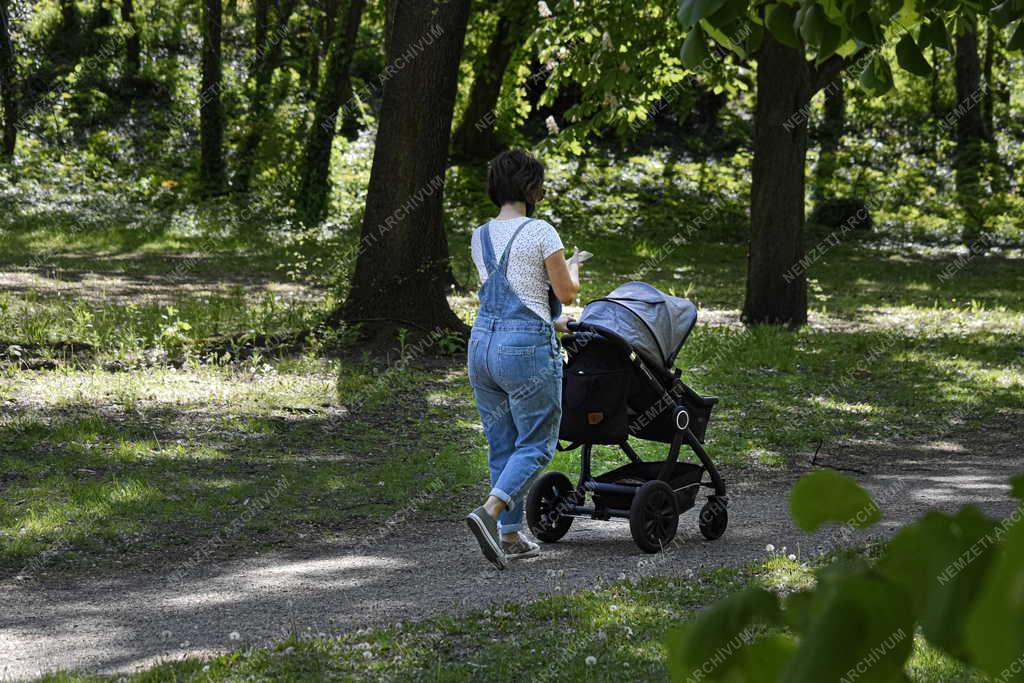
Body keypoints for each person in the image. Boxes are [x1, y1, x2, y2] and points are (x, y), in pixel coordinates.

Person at [465, 148, 581, 570]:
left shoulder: (479, 235)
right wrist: (573, 269)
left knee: (502, 444)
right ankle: (490, 513)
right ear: (533, 188)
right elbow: (565, 292)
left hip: (482, 346)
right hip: (524, 351)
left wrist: (555, 319)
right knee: (535, 444)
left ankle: (510, 536)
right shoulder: (542, 232)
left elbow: (518, 290)